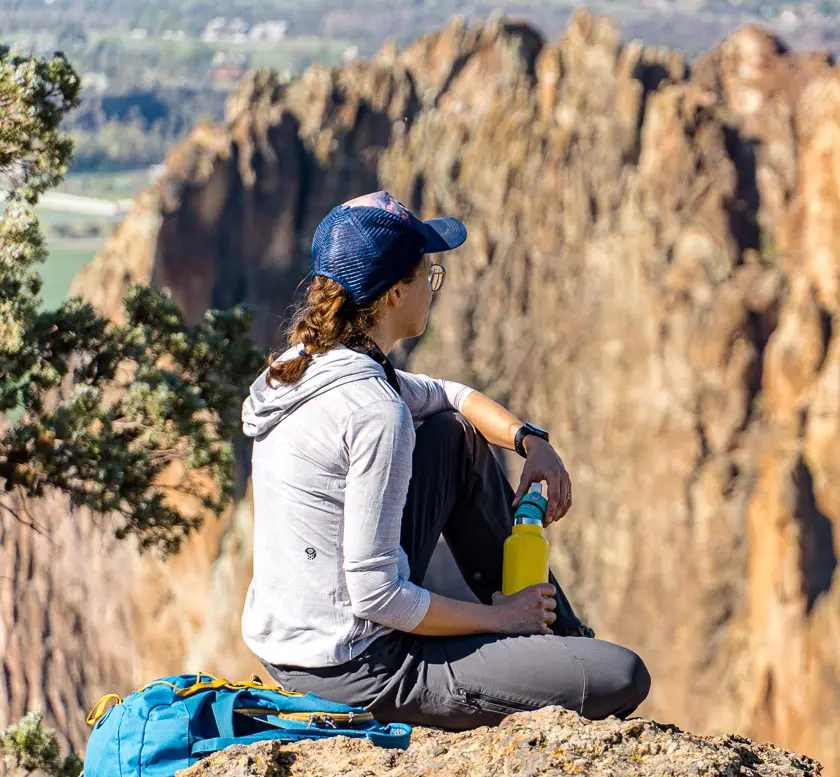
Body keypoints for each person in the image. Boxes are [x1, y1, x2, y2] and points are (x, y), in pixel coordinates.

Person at [238, 191, 650, 730]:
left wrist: (530, 441)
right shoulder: (373, 411)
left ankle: (551, 635)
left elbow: (446, 395)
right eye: (428, 274)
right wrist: (500, 619)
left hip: (297, 639)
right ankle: (539, 632)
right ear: (392, 295)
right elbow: (377, 595)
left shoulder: (305, 365)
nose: (434, 287)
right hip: (356, 668)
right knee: (622, 676)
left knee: (455, 435)